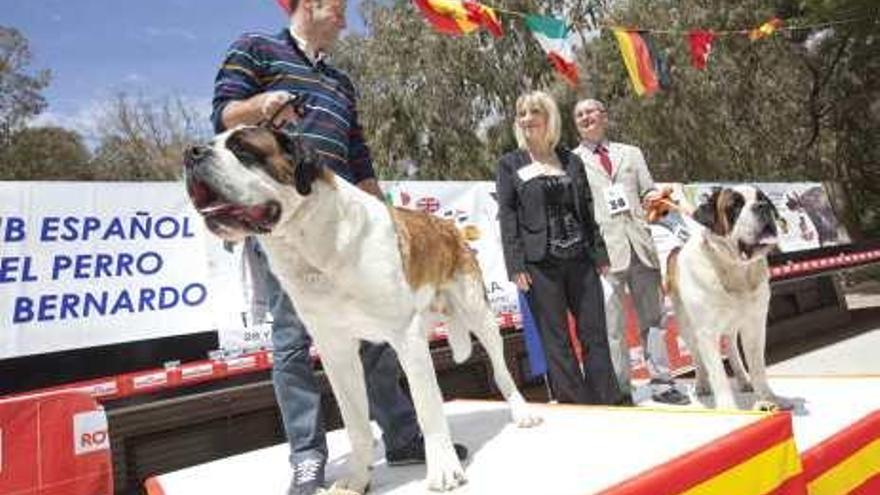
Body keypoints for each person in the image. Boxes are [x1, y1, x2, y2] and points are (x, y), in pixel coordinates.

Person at [211, 0, 465, 493]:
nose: (346, 19)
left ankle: (404, 437)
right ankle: (308, 456)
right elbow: (224, 115)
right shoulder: (255, 49)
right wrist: (262, 107)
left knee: (382, 337)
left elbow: (359, 152)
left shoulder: (341, 82)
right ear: (310, 4)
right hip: (287, 227)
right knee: (292, 339)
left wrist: (384, 215)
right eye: (339, 8)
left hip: (350, 229)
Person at [495, 90, 622, 405]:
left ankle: (606, 399)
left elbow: (587, 210)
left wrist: (600, 254)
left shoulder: (571, 160)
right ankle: (576, 404)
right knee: (556, 340)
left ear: (548, 117)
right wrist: (516, 265)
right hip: (540, 264)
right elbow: (508, 217)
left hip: (581, 259)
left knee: (594, 333)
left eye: (534, 112)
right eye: (521, 113)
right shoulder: (510, 164)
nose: (526, 119)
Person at [572, 98, 691, 406]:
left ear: (604, 117)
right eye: (579, 114)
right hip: (604, 256)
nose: (585, 117)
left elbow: (646, 190)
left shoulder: (631, 153)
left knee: (653, 318)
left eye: (590, 111)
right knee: (612, 326)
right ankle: (620, 389)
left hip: (641, 247)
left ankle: (663, 383)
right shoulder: (572, 161)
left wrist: (656, 197)